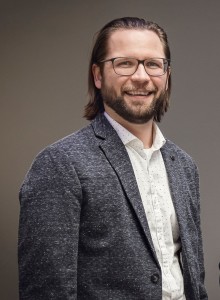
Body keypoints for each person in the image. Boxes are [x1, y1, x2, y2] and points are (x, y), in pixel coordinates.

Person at [18, 17, 208, 300]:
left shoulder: (184, 166)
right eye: (125, 63)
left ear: (166, 75)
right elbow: (47, 291)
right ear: (98, 75)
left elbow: (191, 279)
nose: (141, 76)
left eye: (153, 64)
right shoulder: (59, 163)